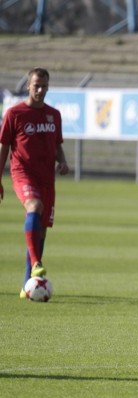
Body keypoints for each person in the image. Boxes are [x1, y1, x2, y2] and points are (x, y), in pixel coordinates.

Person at [0, 67, 69, 297]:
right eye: (36, 85)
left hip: (46, 178)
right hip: (22, 173)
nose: (40, 90)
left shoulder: (54, 115)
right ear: (28, 86)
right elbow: (4, 147)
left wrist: (63, 161)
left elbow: (57, 144)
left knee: (41, 231)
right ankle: (37, 263)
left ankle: (26, 285)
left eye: (44, 86)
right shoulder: (14, 113)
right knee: (34, 207)